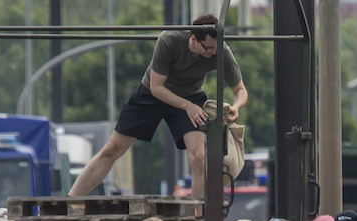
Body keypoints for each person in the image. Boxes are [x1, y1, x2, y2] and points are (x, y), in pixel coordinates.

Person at [68, 14, 245, 199]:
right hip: (153, 94)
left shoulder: (220, 51)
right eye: (208, 49)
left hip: (191, 96)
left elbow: (240, 89)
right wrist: (187, 107)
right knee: (112, 148)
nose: (213, 53)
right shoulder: (169, 40)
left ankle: (198, 217)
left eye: (216, 48)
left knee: (199, 157)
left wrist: (236, 107)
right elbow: (156, 88)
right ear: (193, 39)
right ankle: (70, 200)